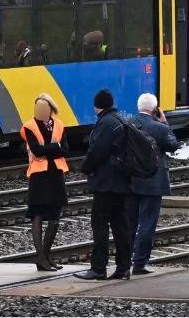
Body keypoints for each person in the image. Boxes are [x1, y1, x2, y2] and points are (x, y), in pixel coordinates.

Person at [75, 90, 133, 281]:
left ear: (97, 106)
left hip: (106, 182)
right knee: (120, 225)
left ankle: (98, 268)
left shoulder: (106, 123)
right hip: (122, 182)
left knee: (99, 224)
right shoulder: (121, 120)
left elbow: (97, 150)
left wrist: (85, 167)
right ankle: (124, 267)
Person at [127, 93, 179, 276]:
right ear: (155, 109)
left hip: (131, 180)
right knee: (147, 222)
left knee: (129, 223)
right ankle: (139, 263)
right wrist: (165, 123)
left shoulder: (128, 124)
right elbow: (173, 145)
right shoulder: (159, 128)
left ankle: (124, 262)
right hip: (153, 182)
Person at [20, 94, 69, 271]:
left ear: (49, 110)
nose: (39, 111)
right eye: (37, 108)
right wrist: (54, 148)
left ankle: (46, 257)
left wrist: (51, 149)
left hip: (55, 174)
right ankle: (41, 258)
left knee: (55, 218)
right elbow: (37, 151)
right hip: (38, 176)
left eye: (43, 108)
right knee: (38, 216)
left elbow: (66, 150)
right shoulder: (29, 127)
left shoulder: (59, 125)